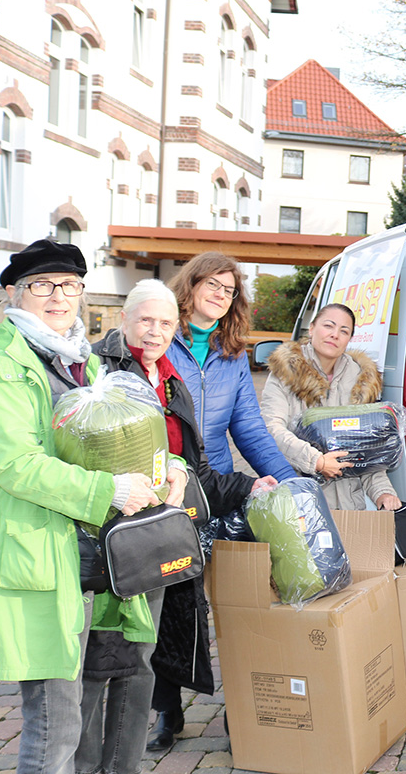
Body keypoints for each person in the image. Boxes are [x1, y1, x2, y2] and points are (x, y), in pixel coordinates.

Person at [0, 239, 160, 774]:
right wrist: (109, 492)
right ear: (14, 293)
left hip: (85, 554)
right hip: (38, 555)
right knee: (55, 727)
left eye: (70, 284)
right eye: (42, 285)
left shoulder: (80, 360)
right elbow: (15, 465)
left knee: (73, 712)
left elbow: (113, 436)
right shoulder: (1, 361)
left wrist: (159, 469)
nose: (58, 297)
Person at [79, 280, 273, 774]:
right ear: (124, 320)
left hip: (161, 531)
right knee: (97, 664)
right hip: (108, 536)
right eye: (146, 320)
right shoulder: (99, 371)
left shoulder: (170, 381)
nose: (155, 332)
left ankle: (132, 748)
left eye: (164, 324)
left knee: (143, 654)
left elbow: (197, 463)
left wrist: (248, 487)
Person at [149, 252, 294, 753]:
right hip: (166, 493)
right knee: (170, 601)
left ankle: (242, 709)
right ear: (189, 287)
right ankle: (166, 711)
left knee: (238, 600)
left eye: (229, 289)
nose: (219, 294)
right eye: (212, 283)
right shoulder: (160, 341)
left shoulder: (232, 355)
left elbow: (249, 428)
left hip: (220, 491)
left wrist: (290, 480)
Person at [261, 303, 402, 511]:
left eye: (344, 331)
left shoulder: (361, 380)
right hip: (301, 503)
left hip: (350, 507)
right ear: (311, 328)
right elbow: (271, 429)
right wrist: (315, 461)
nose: (335, 335)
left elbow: (367, 449)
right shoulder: (286, 373)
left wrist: (383, 492)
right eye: (329, 326)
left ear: (349, 339)